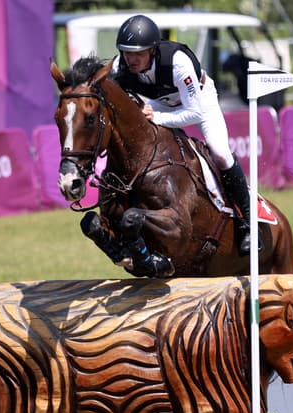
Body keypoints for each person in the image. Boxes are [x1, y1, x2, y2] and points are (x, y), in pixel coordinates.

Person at [110, 14, 261, 256]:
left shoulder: (178, 63)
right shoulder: (120, 66)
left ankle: (248, 224)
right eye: (127, 52)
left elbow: (193, 112)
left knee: (220, 153)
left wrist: (156, 117)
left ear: (153, 50)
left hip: (199, 102)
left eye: (138, 53)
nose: (131, 59)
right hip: (160, 103)